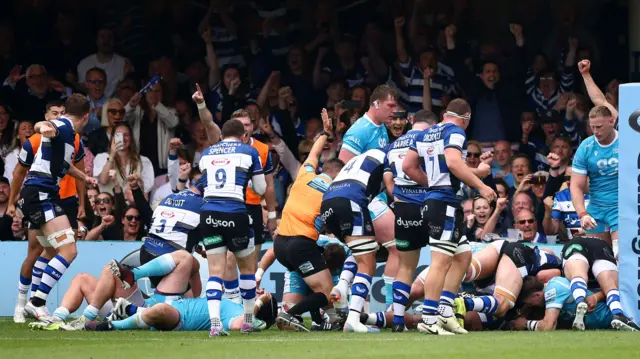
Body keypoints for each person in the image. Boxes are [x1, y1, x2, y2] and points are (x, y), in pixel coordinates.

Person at [402, 99, 496, 335]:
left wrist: (431, 184)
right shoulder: (455, 131)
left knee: (463, 255)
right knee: (441, 262)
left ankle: (444, 309)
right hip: (443, 204)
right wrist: (481, 186)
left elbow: (407, 166)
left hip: (436, 201)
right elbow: (454, 163)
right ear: (466, 118)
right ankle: (429, 317)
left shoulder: (424, 134)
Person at [7, 94, 97, 320]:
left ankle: (32, 304)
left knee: (48, 250)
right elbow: (44, 125)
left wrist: (84, 178)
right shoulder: (62, 126)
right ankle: (36, 302)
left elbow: (65, 166)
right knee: (69, 250)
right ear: (86, 116)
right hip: (41, 195)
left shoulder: (71, 136)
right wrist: (43, 128)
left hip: (41, 194)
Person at [273, 108, 345, 331]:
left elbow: (313, 154)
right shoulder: (334, 192)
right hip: (300, 244)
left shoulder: (305, 174)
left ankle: (328, 319)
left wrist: (324, 133)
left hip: (279, 245)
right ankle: (289, 315)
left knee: (313, 279)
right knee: (325, 291)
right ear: (338, 176)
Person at [198, 119, 266, 337]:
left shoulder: (207, 152)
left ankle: (215, 324)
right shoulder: (249, 151)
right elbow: (261, 188)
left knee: (215, 272)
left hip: (209, 214)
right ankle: (247, 321)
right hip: (235, 213)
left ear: (221, 136)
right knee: (246, 269)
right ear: (244, 135)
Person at [320, 147, 388, 333]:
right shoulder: (392, 158)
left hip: (328, 203)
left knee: (364, 250)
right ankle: (353, 318)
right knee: (368, 262)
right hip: (350, 200)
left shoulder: (364, 157)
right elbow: (393, 190)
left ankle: (342, 286)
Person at [384, 109, 437, 332]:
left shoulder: (392, 145)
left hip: (403, 209)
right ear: (432, 126)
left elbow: (389, 184)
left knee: (406, 267)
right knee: (442, 261)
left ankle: (398, 321)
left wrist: (400, 201)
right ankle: (435, 316)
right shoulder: (428, 138)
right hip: (427, 204)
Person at [221, 109, 276, 304]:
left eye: (247, 124)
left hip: (253, 208)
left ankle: (248, 305)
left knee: (251, 260)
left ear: (252, 126)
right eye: (239, 125)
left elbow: (269, 186)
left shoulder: (262, 149)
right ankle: (232, 301)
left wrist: (271, 216)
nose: (244, 129)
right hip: (230, 207)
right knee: (229, 256)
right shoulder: (224, 148)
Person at [571, 59, 619, 258]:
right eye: (592, 127)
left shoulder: (628, 135)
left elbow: (601, 102)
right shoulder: (586, 147)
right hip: (597, 208)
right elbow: (576, 186)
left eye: (599, 127)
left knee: (620, 255)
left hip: (621, 206)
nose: (595, 131)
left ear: (612, 121)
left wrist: (587, 75)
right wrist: (582, 214)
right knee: (601, 258)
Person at [456, 239, 561, 324]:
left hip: (502, 247)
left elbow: (547, 250)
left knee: (462, 272)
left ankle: (443, 303)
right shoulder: (560, 276)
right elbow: (541, 276)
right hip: (519, 258)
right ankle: (464, 304)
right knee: (503, 304)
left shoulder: (550, 257)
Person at [89, 292, 277, 333]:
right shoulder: (235, 300)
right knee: (88, 282)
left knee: (160, 310)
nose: (258, 291)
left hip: (177, 318)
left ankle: (113, 325)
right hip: (174, 302)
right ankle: (131, 310)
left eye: (262, 294)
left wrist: (259, 302)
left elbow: (239, 325)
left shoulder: (239, 314)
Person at [560, 236, 639, 330]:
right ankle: (617, 313)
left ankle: (580, 300)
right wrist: (597, 297)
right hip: (600, 245)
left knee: (578, 275)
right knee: (610, 286)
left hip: (574, 243)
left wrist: (595, 297)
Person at [517, 275, 637, 331]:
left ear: (537, 295)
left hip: (609, 318)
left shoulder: (552, 290)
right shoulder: (554, 284)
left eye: (529, 303)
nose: (530, 306)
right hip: (603, 324)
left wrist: (525, 323)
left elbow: (548, 326)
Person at [338, 85, 397, 163]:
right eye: (390, 106)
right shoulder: (359, 130)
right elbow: (342, 169)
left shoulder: (381, 125)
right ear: (377, 104)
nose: (395, 111)